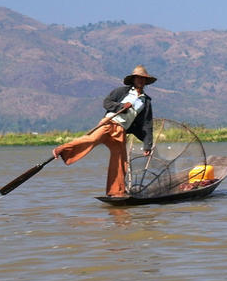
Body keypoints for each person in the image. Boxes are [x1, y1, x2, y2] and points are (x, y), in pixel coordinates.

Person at [52, 65, 156, 197]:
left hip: (121, 130)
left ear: (146, 81)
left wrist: (147, 145)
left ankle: (116, 191)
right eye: (138, 78)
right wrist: (121, 106)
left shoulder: (145, 101)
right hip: (109, 123)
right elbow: (106, 103)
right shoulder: (122, 91)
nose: (140, 81)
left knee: (120, 161)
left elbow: (147, 124)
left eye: (143, 79)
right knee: (91, 139)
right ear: (134, 80)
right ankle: (62, 150)